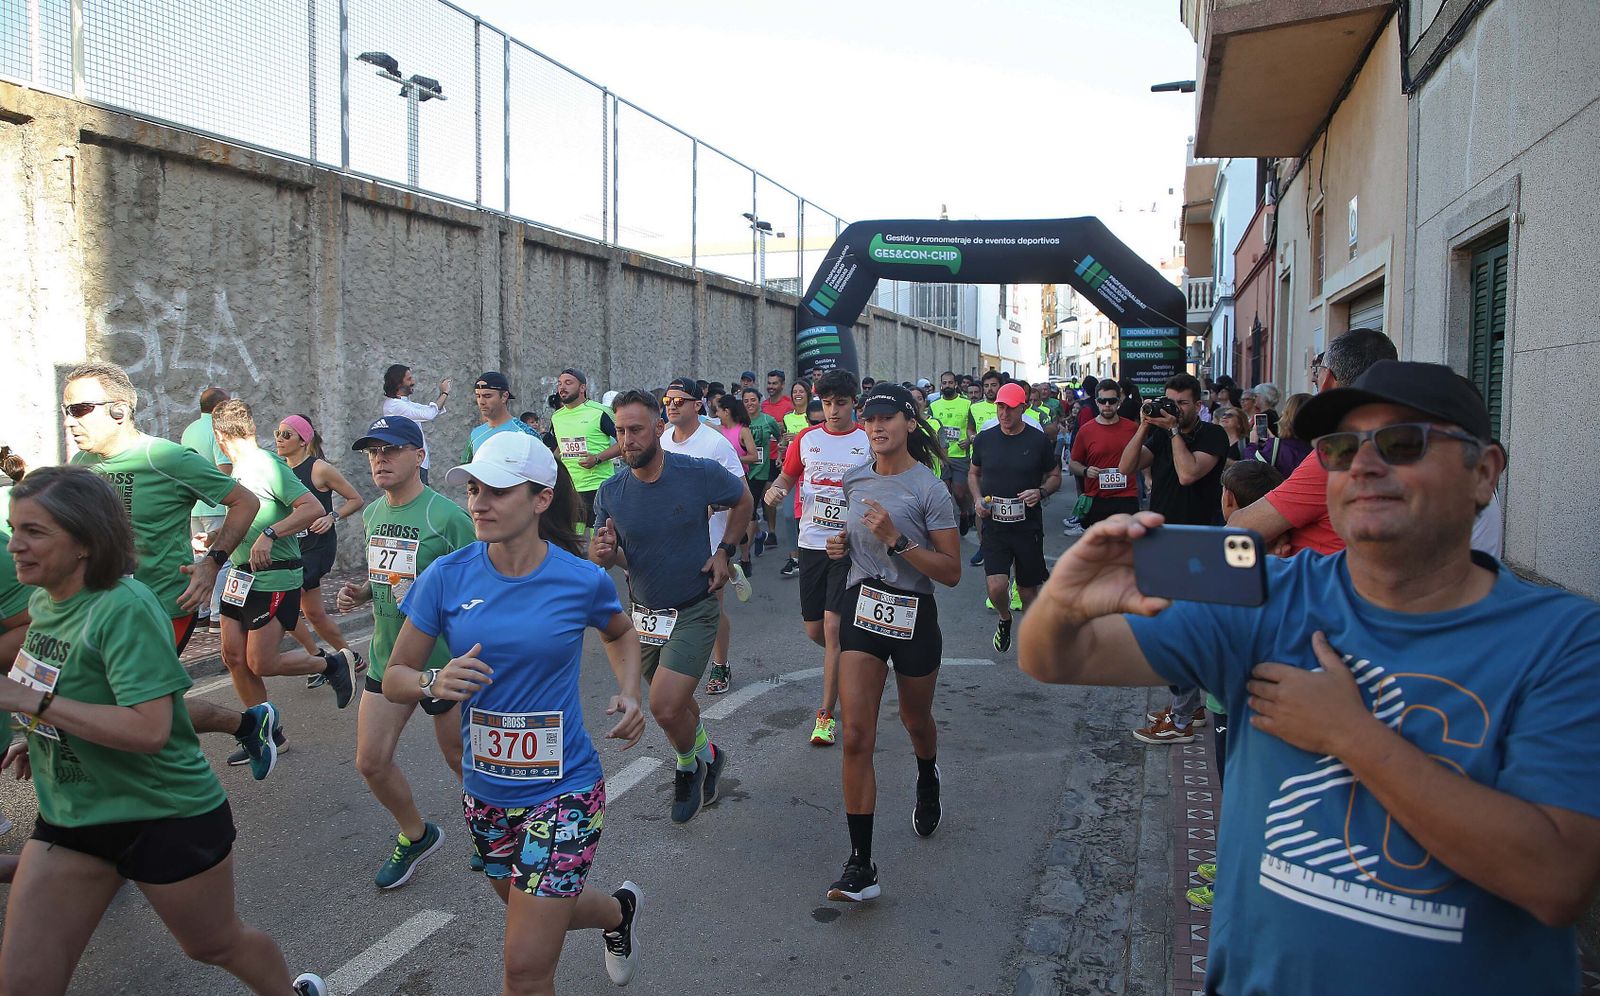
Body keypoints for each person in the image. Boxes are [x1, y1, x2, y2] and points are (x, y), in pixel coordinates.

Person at [1017, 361, 1600, 995]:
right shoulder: (1264, 588)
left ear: (1483, 472)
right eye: (1341, 450)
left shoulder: (1565, 638)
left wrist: (1351, 736)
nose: (1365, 467)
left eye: (1403, 444)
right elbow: (1057, 659)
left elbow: (1556, 880)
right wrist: (1065, 596)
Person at [0, 466, 327, 995]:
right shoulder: (44, 601)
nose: (16, 545)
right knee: (23, 983)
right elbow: (69, 691)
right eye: (15, 529)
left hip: (164, 815)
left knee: (213, 945)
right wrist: (35, 729)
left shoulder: (121, 608)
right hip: (73, 813)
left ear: (85, 541)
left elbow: (151, 729)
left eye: (34, 532)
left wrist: (34, 702)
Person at [380, 431, 647, 993]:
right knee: (533, 908)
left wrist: (630, 691)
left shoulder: (580, 580)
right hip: (486, 790)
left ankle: (605, 914)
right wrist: (435, 677)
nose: (479, 502)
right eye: (474, 488)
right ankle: (618, 913)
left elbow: (621, 632)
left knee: (524, 967)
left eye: (498, 491)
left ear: (541, 499)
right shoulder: (447, 576)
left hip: (564, 787)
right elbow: (394, 676)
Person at [62, 363, 279, 776]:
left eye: (82, 408)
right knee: (124, 701)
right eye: (68, 410)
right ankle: (250, 723)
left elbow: (244, 502)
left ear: (119, 410)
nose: (71, 420)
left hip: (162, 605)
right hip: (98, 608)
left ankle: (180, 787)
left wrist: (211, 564)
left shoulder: (165, 458)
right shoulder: (80, 464)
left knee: (138, 706)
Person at [823, 384, 962, 903]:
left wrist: (899, 542)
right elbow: (849, 539)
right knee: (856, 734)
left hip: (913, 612)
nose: (877, 427)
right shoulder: (854, 479)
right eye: (869, 419)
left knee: (914, 720)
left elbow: (950, 572)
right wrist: (842, 544)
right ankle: (862, 864)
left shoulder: (929, 488)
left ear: (908, 423)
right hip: (864, 606)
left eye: (887, 418)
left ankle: (927, 772)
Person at [591, 390, 751, 823]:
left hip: (694, 607)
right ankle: (710, 754)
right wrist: (605, 555)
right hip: (644, 616)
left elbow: (743, 500)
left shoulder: (696, 472)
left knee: (663, 705)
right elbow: (617, 554)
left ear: (659, 428)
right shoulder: (610, 493)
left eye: (637, 430)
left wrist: (725, 552)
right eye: (621, 431)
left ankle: (688, 766)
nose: (628, 440)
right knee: (677, 705)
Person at [335, 415, 477, 889]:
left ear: (419, 456)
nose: (380, 458)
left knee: (459, 759)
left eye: (391, 449)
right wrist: (360, 593)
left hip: (443, 663)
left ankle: (489, 827)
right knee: (370, 761)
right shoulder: (373, 514)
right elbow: (390, 581)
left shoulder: (447, 517)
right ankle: (415, 834)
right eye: (374, 451)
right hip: (386, 659)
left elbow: (478, 584)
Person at [212, 401, 355, 721]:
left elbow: (311, 508)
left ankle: (331, 663)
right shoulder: (238, 471)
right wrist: (213, 544)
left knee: (260, 662)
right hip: (239, 576)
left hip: (274, 576)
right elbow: (246, 521)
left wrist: (270, 534)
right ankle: (263, 732)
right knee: (233, 656)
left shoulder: (267, 465)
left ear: (219, 436)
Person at [1116, 373, 1230, 746]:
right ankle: (1190, 707)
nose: (1174, 409)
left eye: (1181, 403)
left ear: (1198, 403)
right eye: (1169, 401)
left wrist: (1174, 432)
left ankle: (1180, 721)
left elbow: (1187, 474)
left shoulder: (1213, 436)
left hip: (1195, 544)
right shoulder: (1162, 434)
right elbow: (1126, 468)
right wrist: (1143, 426)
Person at [765, 370, 870, 747]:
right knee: (815, 630)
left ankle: (825, 715)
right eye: (826, 404)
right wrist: (774, 493)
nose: (833, 411)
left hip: (849, 546)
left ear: (853, 402)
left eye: (840, 403)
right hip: (811, 543)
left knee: (831, 629)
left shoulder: (866, 439)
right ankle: (859, 656)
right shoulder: (807, 440)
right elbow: (786, 479)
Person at [660, 378, 751, 698]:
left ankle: (721, 664)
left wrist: (724, 546)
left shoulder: (714, 444)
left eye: (679, 400)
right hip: (672, 542)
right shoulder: (664, 440)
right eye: (668, 399)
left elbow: (743, 494)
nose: (671, 405)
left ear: (697, 405)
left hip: (710, 543)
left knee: (711, 607)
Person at [272, 415, 366, 694]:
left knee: (284, 604)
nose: (279, 438)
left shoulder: (319, 469)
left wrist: (332, 516)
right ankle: (349, 657)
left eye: (287, 434)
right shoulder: (278, 469)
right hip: (292, 547)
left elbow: (356, 499)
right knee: (312, 612)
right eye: (277, 432)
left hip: (317, 547)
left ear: (304, 440)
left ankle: (317, 660)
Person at [969, 383, 1061, 654]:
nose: (1004, 413)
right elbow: (974, 474)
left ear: (1023, 407)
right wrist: (977, 499)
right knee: (996, 587)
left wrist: (1041, 491)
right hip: (995, 523)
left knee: (1028, 591)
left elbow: (1055, 476)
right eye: (1000, 406)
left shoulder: (1037, 440)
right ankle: (1005, 618)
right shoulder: (985, 439)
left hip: (1027, 525)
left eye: (1010, 407)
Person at [179, 387, 234, 634]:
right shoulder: (217, 429)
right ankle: (216, 615)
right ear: (219, 407)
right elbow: (224, 468)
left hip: (194, 506)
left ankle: (200, 615)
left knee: (200, 560)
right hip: (217, 506)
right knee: (223, 560)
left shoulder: (189, 430)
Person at [549, 368, 620, 535]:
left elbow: (626, 442)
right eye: (559, 383)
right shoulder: (557, 417)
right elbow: (561, 446)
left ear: (582, 388)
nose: (562, 387)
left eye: (568, 383)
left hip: (599, 487)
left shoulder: (599, 412)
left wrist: (597, 458)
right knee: (574, 542)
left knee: (599, 543)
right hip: (570, 488)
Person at [1068, 379, 1140, 530]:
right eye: (1102, 401)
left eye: (1111, 401)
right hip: (1097, 498)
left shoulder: (1133, 428)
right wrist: (1086, 471)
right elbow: (1073, 464)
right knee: (1101, 550)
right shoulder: (1086, 431)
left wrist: (1149, 478)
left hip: (1126, 496)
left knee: (1126, 548)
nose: (1107, 405)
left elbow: (1143, 454)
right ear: (1096, 402)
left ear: (1119, 401)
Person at [381, 364, 451, 486]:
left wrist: (441, 394)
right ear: (398, 384)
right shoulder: (394, 406)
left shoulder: (403, 403)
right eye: (409, 379)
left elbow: (431, 410)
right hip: (411, 464)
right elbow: (429, 414)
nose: (413, 382)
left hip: (417, 463)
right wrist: (445, 392)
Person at [930, 371, 976, 535]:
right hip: (941, 457)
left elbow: (973, 428)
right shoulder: (934, 405)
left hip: (960, 455)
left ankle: (964, 512)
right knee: (944, 493)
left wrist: (970, 440)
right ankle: (945, 526)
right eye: (944, 383)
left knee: (959, 492)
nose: (947, 386)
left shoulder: (967, 404)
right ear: (941, 384)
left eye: (950, 383)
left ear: (955, 384)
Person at [742, 387, 783, 563]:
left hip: (760, 471)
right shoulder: (740, 422)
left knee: (749, 511)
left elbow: (780, 437)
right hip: (743, 470)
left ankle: (745, 557)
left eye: (753, 400)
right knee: (745, 511)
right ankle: (759, 535)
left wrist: (780, 454)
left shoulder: (768, 420)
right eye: (746, 401)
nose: (750, 403)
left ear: (760, 401)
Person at [776, 380, 812, 579]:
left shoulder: (813, 415)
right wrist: (782, 453)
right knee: (789, 515)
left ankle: (807, 555)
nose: (798, 394)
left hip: (809, 470)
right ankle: (794, 556)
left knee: (806, 515)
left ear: (807, 394)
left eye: (801, 391)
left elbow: (813, 436)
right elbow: (784, 442)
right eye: (795, 391)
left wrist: (796, 437)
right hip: (791, 469)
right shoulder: (788, 417)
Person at [464, 371, 538, 461]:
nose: (481, 402)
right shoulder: (475, 434)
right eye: (478, 396)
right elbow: (465, 470)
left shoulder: (525, 433)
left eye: (487, 396)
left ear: (504, 396)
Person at [1241, 392, 1313, 478]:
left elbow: (1251, 468)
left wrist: (1252, 443)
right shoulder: (1322, 446)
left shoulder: (1278, 447)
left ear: (1287, 416)